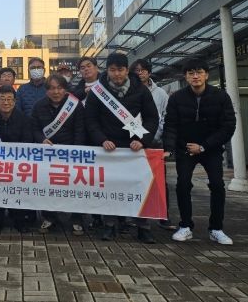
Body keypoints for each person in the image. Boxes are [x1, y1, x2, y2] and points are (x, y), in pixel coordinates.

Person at [85, 52, 159, 244]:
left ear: (127, 70)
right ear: (107, 70)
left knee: (139, 186)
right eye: (112, 70)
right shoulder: (97, 91)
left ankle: (143, 227)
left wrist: (143, 140)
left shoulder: (140, 90)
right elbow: (90, 120)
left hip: (134, 148)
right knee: (110, 186)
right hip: (108, 148)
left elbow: (152, 118)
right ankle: (110, 225)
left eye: (120, 70)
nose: (116, 74)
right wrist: (102, 139)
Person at [163, 58, 236, 245]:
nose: (195, 76)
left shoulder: (221, 96)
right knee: (183, 184)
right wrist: (169, 148)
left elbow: (228, 126)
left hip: (211, 149)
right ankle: (185, 226)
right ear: (186, 77)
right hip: (185, 148)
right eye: (191, 73)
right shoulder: (177, 98)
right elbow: (170, 125)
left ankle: (216, 228)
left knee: (217, 185)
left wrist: (204, 146)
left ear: (206, 75)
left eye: (199, 72)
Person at [31, 74, 87, 235]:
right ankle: (49, 217)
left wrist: (76, 151)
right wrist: (41, 139)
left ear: (65, 89)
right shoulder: (39, 106)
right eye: (52, 88)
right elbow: (34, 128)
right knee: (48, 186)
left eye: (59, 88)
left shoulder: (75, 105)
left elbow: (80, 129)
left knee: (75, 186)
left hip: (70, 153)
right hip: (47, 154)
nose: (56, 92)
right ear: (46, 91)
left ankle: (77, 219)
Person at [0, 85, 33, 232]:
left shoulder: (24, 119)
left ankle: (19, 220)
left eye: (9, 99)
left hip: (17, 165)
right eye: (2, 99)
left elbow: (27, 141)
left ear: (15, 101)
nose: (6, 102)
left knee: (17, 192)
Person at [131, 58, 175, 231]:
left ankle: (163, 215)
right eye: (136, 70)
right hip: (133, 143)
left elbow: (165, 117)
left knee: (159, 181)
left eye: (143, 70)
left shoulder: (160, 93)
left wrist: (152, 135)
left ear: (149, 72)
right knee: (135, 180)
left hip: (155, 142)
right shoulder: (129, 91)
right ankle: (135, 215)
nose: (140, 73)